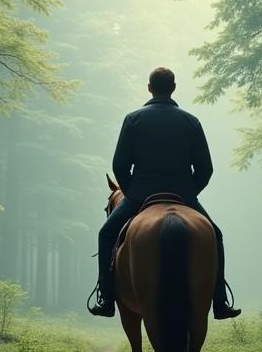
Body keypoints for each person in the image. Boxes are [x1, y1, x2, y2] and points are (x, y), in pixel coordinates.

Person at [88, 66, 242, 320]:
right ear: (173, 88)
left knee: (106, 234)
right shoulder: (191, 121)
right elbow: (206, 168)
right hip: (183, 194)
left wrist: (132, 190)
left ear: (149, 88)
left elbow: (119, 166)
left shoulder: (133, 119)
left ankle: (106, 297)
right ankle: (219, 300)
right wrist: (189, 193)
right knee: (215, 235)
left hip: (139, 194)